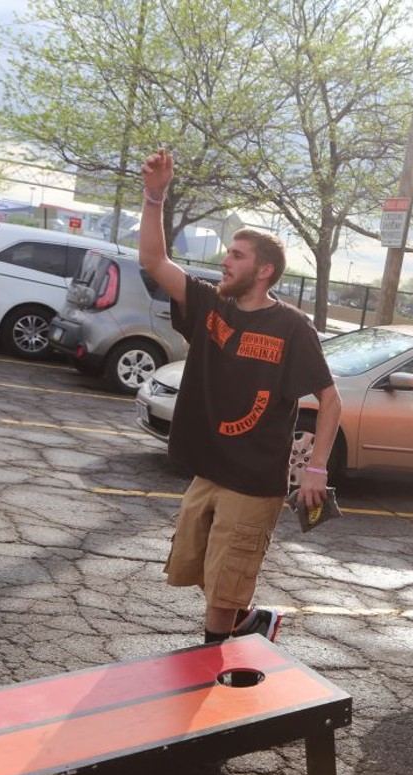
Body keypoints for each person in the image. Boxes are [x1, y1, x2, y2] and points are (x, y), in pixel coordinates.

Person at [139, 148, 341, 645]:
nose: (224, 261)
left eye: (236, 255)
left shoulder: (292, 328)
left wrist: (315, 469)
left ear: (265, 270)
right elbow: (152, 260)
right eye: (227, 253)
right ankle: (252, 621)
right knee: (197, 568)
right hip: (208, 470)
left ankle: (207, 677)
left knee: (223, 586)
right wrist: (154, 196)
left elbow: (329, 400)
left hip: (254, 481)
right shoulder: (211, 306)